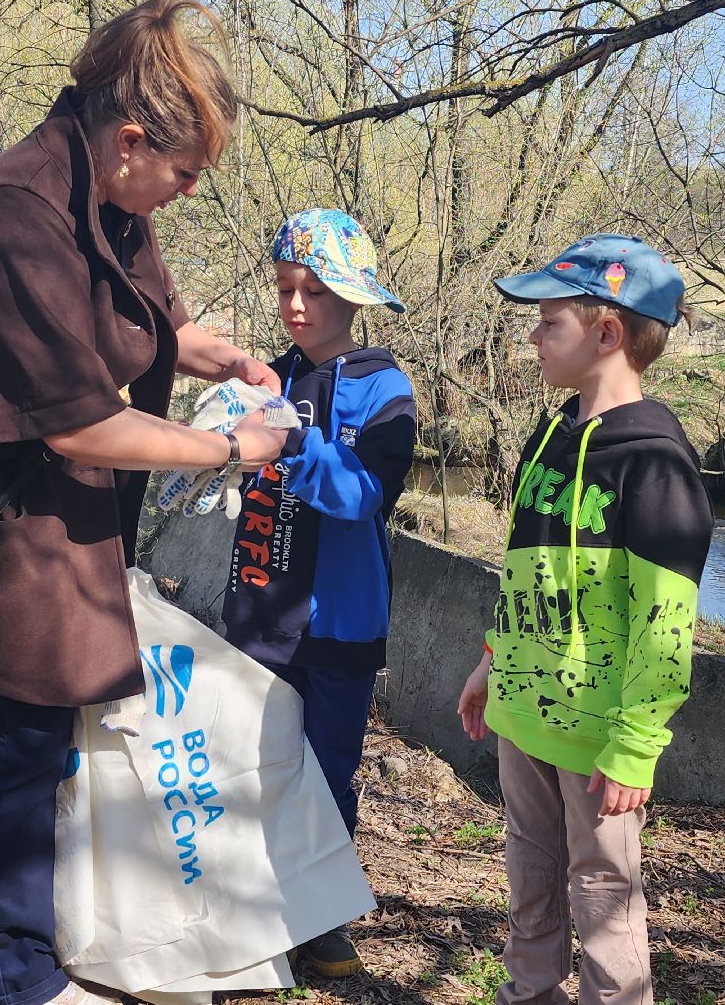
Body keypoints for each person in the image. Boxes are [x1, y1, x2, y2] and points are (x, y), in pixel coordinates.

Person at [0, 0, 290, 1005]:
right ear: (133, 139)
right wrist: (228, 444)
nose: (189, 193)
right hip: (5, 535)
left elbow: (138, 325)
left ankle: (20, 950)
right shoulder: (9, 217)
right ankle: (4, 977)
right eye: (188, 173)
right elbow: (77, 421)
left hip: (72, 525)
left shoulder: (110, 197)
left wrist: (215, 352)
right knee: (15, 751)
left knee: (40, 743)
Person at [456, 235, 714, 1005]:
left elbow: (667, 621)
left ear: (607, 334)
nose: (532, 338)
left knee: (604, 899)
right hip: (522, 714)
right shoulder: (549, 438)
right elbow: (529, 566)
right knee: (530, 884)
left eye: (547, 322)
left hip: (598, 735)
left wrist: (636, 744)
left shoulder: (657, 465)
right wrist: (491, 660)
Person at [220, 208, 417, 978]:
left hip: (338, 622)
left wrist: (294, 439)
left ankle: (323, 916)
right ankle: (251, 909)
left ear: (353, 298)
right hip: (262, 608)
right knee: (256, 763)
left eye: (315, 291)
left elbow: (363, 494)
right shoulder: (273, 375)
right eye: (285, 289)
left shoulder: (384, 388)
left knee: (327, 770)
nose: (297, 306)